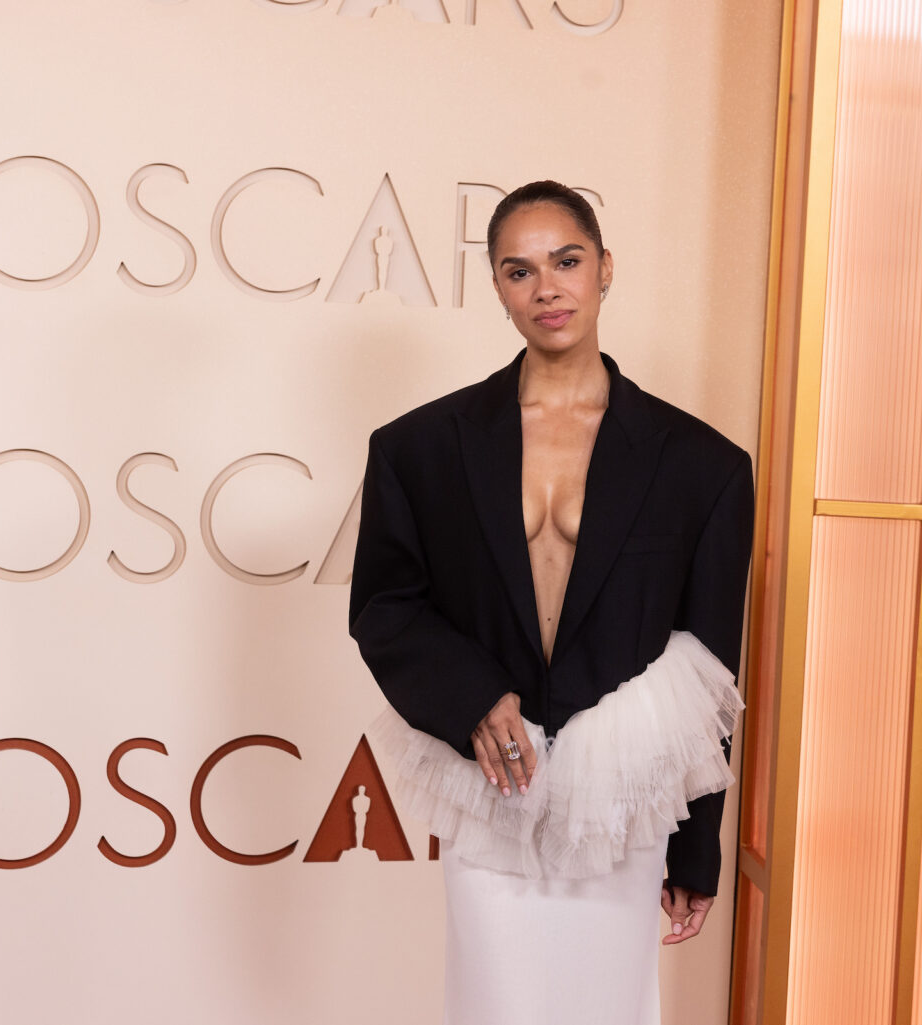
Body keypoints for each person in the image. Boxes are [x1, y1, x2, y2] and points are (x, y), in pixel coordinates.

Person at [349, 180, 754, 1024]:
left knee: (610, 1006)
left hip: (627, 792)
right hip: (493, 781)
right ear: (498, 288)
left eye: (566, 261)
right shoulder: (421, 447)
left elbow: (710, 666)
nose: (548, 289)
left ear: (605, 268)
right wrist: (470, 695)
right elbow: (384, 605)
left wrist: (697, 840)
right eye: (519, 270)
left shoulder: (703, 465)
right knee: (495, 1001)